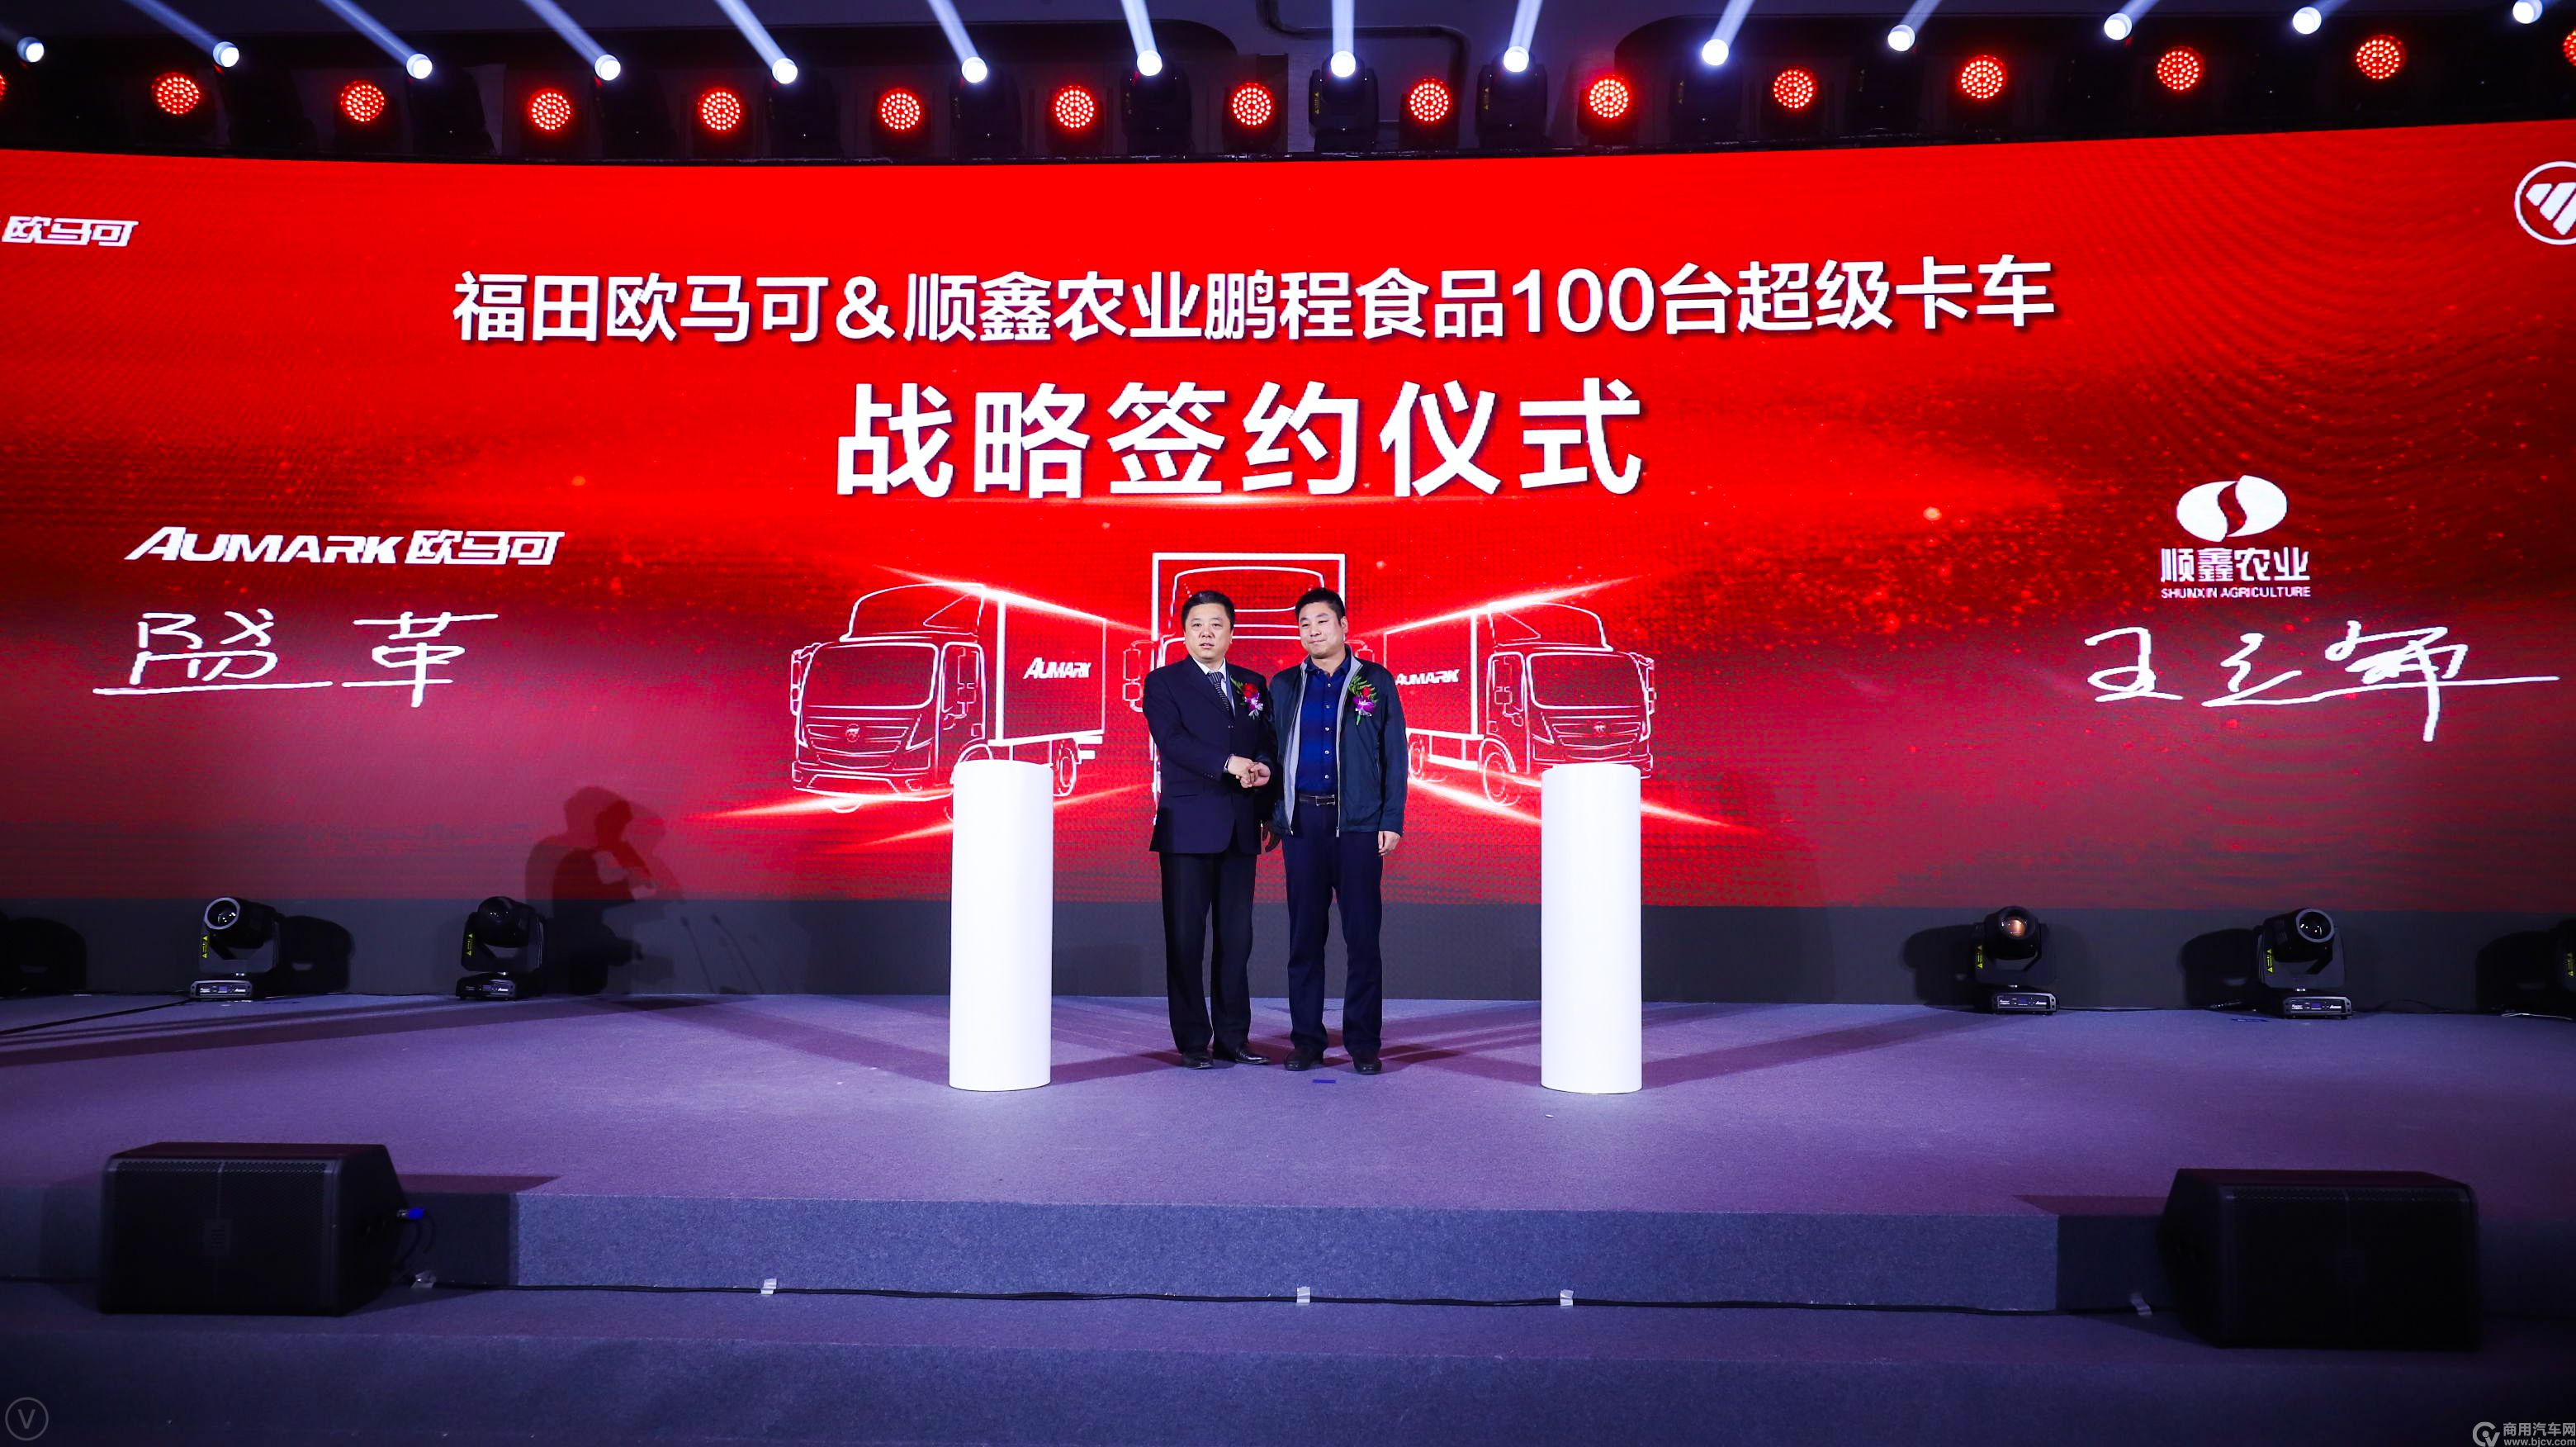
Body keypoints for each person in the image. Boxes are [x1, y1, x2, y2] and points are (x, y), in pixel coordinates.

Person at [1266, 586, 1406, 1075]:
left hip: (1358, 826)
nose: (1312, 631)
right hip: (1303, 825)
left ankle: (1364, 1043)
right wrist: (1273, 814)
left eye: (1322, 621)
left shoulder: (1375, 681)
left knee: (1362, 938)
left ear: (1344, 626)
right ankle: (1307, 1041)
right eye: (1304, 624)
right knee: (1304, 938)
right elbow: (1272, 752)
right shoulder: (1285, 685)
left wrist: (1391, 819)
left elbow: (1395, 754)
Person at [1140, 590, 1277, 1069]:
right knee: (1185, 939)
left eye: (1216, 624)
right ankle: (1193, 1041)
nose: (1206, 633)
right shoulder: (1164, 682)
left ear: (1231, 633)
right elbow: (1172, 741)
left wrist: (1262, 769)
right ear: (1184, 633)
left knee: (1236, 940)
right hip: (1188, 828)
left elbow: (1265, 741)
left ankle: (1234, 1038)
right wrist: (1227, 762)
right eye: (1197, 624)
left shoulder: (1252, 683)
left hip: (1240, 827)